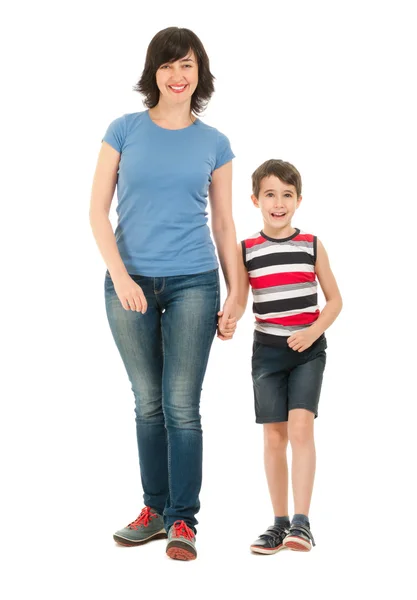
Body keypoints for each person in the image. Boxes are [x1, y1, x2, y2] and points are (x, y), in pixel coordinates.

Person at [89, 26, 238, 561]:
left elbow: (223, 225)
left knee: (181, 405)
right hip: (128, 283)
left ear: (200, 75)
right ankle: (154, 511)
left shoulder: (214, 143)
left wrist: (236, 293)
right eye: (169, 65)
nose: (178, 75)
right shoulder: (123, 130)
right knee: (147, 404)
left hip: (195, 280)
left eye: (188, 66)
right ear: (154, 72)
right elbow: (96, 213)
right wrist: (123, 278)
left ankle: (184, 521)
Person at [235, 159, 342, 554]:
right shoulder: (246, 250)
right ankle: (278, 523)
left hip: (308, 351)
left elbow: (335, 300)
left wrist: (313, 331)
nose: (278, 203)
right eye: (269, 194)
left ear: (298, 200)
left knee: (300, 429)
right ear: (255, 200)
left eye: (286, 195)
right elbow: (240, 300)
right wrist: (227, 318)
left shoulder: (311, 244)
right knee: (273, 436)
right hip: (266, 353)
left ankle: (302, 522)